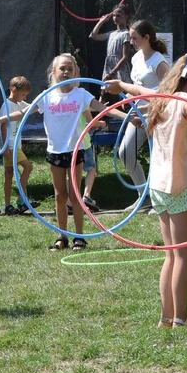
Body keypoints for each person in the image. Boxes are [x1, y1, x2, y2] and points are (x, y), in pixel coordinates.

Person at [106, 52, 187, 328]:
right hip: (181, 186)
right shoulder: (184, 101)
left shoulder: (162, 99)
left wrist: (120, 86)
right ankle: (181, 319)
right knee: (183, 255)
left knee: (171, 254)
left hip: (159, 187)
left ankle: (166, 317)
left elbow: (138, 89)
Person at [38, 53, 106, 252]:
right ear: (54, 72)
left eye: (70, 69)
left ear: (76, 73)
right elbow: (26, 112)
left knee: (75, 196)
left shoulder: (81, 94)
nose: (66, 72)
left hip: (75, 152)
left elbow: (102, 109)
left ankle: (79, 237)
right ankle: (62, 236)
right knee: (60, 196)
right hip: (55, 151)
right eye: (62, 68)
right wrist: (1, 120)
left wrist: (128, 116)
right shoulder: (47, 95)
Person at [120, 20, 171, 211]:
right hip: (137, 114)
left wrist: (143, 110)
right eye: (130, 38)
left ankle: (162, 200)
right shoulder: (136, 59)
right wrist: (131, 104)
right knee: (125, 152)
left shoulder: (158, 61)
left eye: (134, 38)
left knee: (160, 157)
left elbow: (168, 94)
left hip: (157, 115)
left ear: (147, 38)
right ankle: (144, 196)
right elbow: (136, 88)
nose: (131, 42)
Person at [0, 76, 34, 216]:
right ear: (14, 90)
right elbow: (3, 127)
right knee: (28, 167)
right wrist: (5, 147)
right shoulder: (7, 105)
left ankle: (8, 205)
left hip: (16, 144)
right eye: (23, 94)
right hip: (11, 146)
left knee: (9, 174)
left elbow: (32, 107)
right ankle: (21, 199)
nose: (24, 97)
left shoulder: (19, 104)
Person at [93, 4, 133, 87]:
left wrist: (112, 72)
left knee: (122, 91)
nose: (115, 18)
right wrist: (101, 21)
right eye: (114, 16)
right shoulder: (111, 34)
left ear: (126, 16)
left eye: (118, 15)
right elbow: (93, 36)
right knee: (104, 90)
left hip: (119, 68)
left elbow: (125, 57)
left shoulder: (126, 34)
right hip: (108, 67)